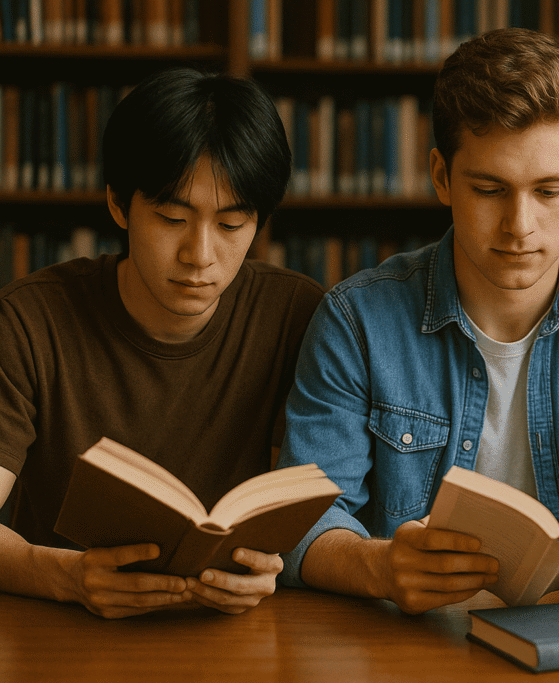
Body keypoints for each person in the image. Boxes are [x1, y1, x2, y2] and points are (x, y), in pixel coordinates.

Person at [275, 27, 559, 614]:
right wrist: (379, 566)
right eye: (490, 189)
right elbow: (301, 520)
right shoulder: (355, 320)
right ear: (441, 176)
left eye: (548, 191)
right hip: (412, 644)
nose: (520, 226)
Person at [0, 67, 326, 618]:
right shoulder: (30, 321)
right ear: (118, 205)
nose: (200, 255)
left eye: (231, 225)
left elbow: (305, 512)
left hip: (234, 635)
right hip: (59, 631)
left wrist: (277, 563)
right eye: (173, 217)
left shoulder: (296, 315)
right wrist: (64, 576)